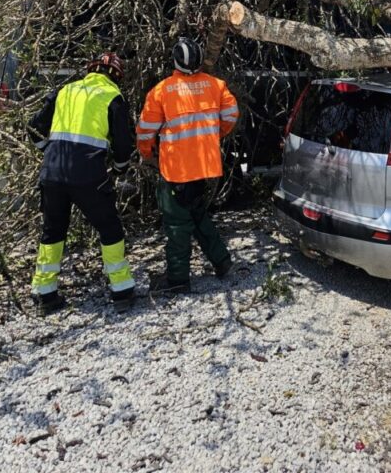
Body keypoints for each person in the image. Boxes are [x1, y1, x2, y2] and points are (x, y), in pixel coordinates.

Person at [28, 52, 135, 314]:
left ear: (91, 69)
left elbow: (33, 127)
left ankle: (45, 294)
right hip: (88, 175)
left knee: (52, 231)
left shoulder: (65, 90)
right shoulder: (112, 97)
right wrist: (120, 169)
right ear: (117, 76)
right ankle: (121, 291)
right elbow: (123, 144)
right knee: (109, 227)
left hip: (52, 172)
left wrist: (48, 151)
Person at [136, 37, 239, 293]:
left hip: (175, 169)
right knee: (196, 213)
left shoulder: (161, 91)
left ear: (175, 61)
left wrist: (147, 153)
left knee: (177, 224)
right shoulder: (216, 85)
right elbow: (230, 116)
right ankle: (222, 261)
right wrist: (214, 136)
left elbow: (146, 131)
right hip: (205, 166)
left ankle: (178, 280)